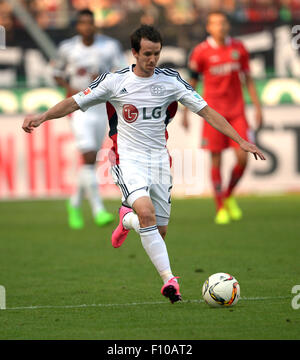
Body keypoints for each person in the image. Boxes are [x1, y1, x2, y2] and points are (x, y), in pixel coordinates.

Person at [22, 25, 265, 303]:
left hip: (160, 161)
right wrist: (42, 117)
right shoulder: (114, 81)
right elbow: (74, 102)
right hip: (128, 160)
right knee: (147, 214)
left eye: (157, 54)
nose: (152, 60)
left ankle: (126, 219)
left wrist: (241, 140)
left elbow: (207, 112)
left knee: (158, 231)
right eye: (147, 54)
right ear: (134, 53)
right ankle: (169, 281)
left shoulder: (171, 81)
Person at [182, 11, 263, 225]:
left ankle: (227, 195)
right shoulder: (200, 52)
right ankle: (220, 207)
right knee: (216, 158)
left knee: (243, 158)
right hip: (213, 114)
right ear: (209, 27)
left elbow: (248, 79)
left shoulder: (239, 48)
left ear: (228, 25)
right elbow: (191, 85)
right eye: (215, 23)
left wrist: (257, 107)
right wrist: (184, 113)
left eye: (223, 22)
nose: (220, 26)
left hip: (237, 112)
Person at [52, 9, 127, 229]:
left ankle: (74, 203)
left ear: (95, 25)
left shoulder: (109, 46)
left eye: (90, 23)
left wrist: (105, 78)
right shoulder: (67, 47)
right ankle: (98, 209)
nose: (87, 27)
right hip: (78, 106)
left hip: (100, 108)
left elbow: (122, 71)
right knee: (87, 155)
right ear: (78, 26)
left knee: (90, 160)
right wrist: (68, 88)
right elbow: (56, 71)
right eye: (82, 23)